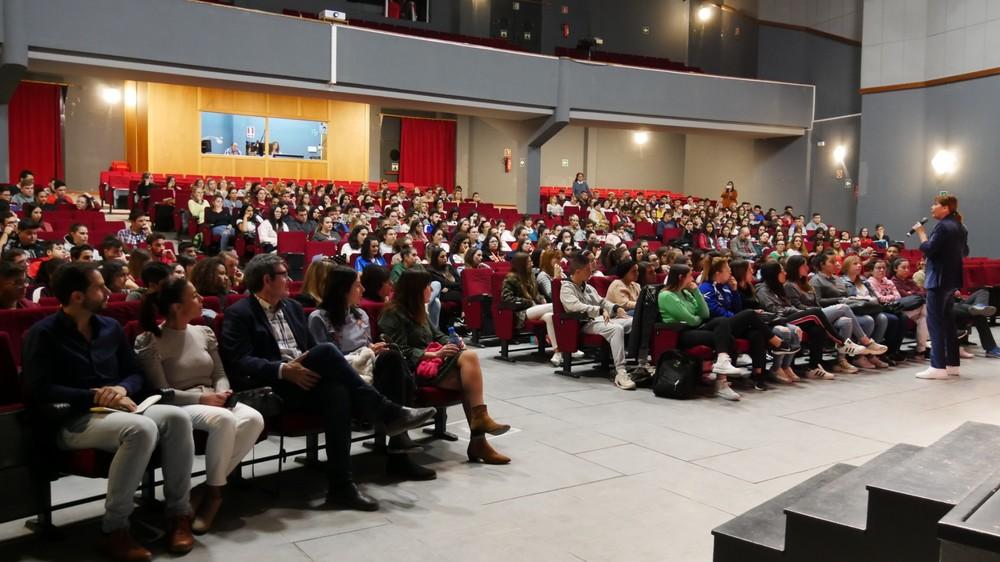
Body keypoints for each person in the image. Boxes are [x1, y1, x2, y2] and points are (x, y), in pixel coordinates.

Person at [219, 254, 436, 511]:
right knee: (326, 351)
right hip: (274, 386)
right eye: (283, 275)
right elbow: (240, 360)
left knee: (339, 392)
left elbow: (309, 349)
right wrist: (282, 370)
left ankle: (341, 487)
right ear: (267, 280)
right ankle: (386, 412)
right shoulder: (240, 313)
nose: (290, 280)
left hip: (307, 378)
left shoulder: (293, 308)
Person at [23, 262, 196, 559]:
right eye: (99, 287)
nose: (107, 292)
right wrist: (94, 396)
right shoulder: (43, 333)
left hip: (119, 407)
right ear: (78, 296)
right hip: (73, 418)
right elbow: (39, 389)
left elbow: (134, 372)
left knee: (178, 418)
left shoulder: (110, 327)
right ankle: (114, 529)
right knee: (141, 429)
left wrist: (121, 389)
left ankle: (178, 514)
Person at [135, 277, 265, 534]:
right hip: (179, 405)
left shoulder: (203, 331)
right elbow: (160, 392)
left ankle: (205, 488)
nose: (201, 299)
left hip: (212, 398)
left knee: (254, 419)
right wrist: (202, 400)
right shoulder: (150, 339)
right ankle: (215, 497)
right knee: (224, 420)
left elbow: (219, 373)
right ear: (176, 307)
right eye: (194, 296)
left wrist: (222, 393)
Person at [308, 266, 434, 480]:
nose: (363, 289)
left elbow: (366, 349)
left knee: (391, 356)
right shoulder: (319, 318)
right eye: (358, 285)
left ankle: (398, 444)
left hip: (367, 368)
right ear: (343, 290)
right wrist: (363, 352)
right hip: (343, 375)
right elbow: (326, 358)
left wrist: (373, 348)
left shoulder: (361, 314)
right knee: (386, 366)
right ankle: (398, 444)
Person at [378, 269, 511, 464]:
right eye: (427, 286)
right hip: (414, 370)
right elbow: (397, 351)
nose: (431, 289)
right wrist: (433, 353)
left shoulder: (418, 310)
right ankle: (479, 439)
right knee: (470, 369)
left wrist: (454, 341)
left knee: (467, 370)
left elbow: (437, 334)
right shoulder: (393, 314)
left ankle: (479, 436)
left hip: (434, 363)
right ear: (416, 290)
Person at [784, 254, 886, 374]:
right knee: (843, 307)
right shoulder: (790, 285)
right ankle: (865, 341)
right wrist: (831, 304)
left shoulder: (806, 284)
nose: (807, 267)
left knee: (845, 321)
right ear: (796, 267)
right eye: (804, 265)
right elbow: (797, 306)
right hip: (807, 316)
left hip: (818, 313)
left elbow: (817, 302)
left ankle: (841, 360)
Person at [912, 195, 971, 378]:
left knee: (935, 322)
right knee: (947, 322)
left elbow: (929, 249)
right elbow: (965, 251)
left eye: (936, 204)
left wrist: (921, 232)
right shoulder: (960, 227)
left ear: (945, 208)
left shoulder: (943, 226)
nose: (932, 207)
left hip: (938, 279)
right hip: (952, 279)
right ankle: (952, 364)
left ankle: (937, 367)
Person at [560, 252, 637, 390]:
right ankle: (620, 372)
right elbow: (575, 307)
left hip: (597, 320)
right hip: (582, 324)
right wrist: (599, 310)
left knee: (633, 321)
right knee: (616, 329)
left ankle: (642, 363)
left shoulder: (588, 287)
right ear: (578, 271)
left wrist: (616, 308)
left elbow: (602, 301)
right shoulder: (566, 287)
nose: (591, 273)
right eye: (588, 270)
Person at [500, 252, 569, 367]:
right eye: (529, 262)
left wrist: (541, 298)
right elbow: (506, 299)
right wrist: (528, 302)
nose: (532, 263)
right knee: (555, 306)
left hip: (534, 308)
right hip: (520, 312)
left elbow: (536, 294)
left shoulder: (531, 275)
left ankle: (558, 352)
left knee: (550, 317)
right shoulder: (510, 278)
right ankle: (570, 346)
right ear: (521, 264)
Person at [868, 258, 928, 360]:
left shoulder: (888, 281)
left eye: (883, 268)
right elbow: (880, 298)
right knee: (923, 311)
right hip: (883, 309)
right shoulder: (871, 282)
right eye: (878, 268)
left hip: (894, 307)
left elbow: (898, 297)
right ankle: (891, 351)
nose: (882, 270)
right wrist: (892, 297)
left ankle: (899, 350)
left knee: (920, 317)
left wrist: (899, 296)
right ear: (871, 270)